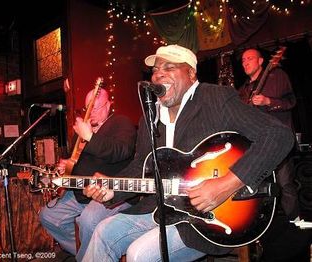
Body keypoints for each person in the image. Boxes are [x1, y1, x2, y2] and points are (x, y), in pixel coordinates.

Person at [81, 44, 295, 261]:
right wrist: (113, 188)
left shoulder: (216, 98)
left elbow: (278, 136)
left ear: (191, 73)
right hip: (161, 209)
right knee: (103, 233)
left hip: (208, 218)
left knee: (140, 254)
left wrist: (227, 183)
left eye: (169, 67)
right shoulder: (150, 115)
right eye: (155, 70)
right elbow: (141, 165)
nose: (159, 74)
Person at [39, 88, 137, 261]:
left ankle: (90, 255)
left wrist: (90, 136)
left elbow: (122, 151)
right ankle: (89, 254)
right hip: (80, 191)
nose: (91, 112)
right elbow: (78, 162)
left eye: (96, 107)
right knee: (48, 216)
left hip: (110, 193)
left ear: (108, 105)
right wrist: (67, 165)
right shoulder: (85, 131)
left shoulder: (121, 122)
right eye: (88, 108)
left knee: (88, 220)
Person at [238, 48, 299, 220]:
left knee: (285, 183)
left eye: (249, 58)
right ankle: (262, 224)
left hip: (279, 141)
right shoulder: (243, 89)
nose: (245, 62)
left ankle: (294, 221)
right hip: (256, 145)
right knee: (257, 187)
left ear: (261, 61)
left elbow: (291, 101)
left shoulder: (278, 76)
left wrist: (268, 101)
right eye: (243, 60)